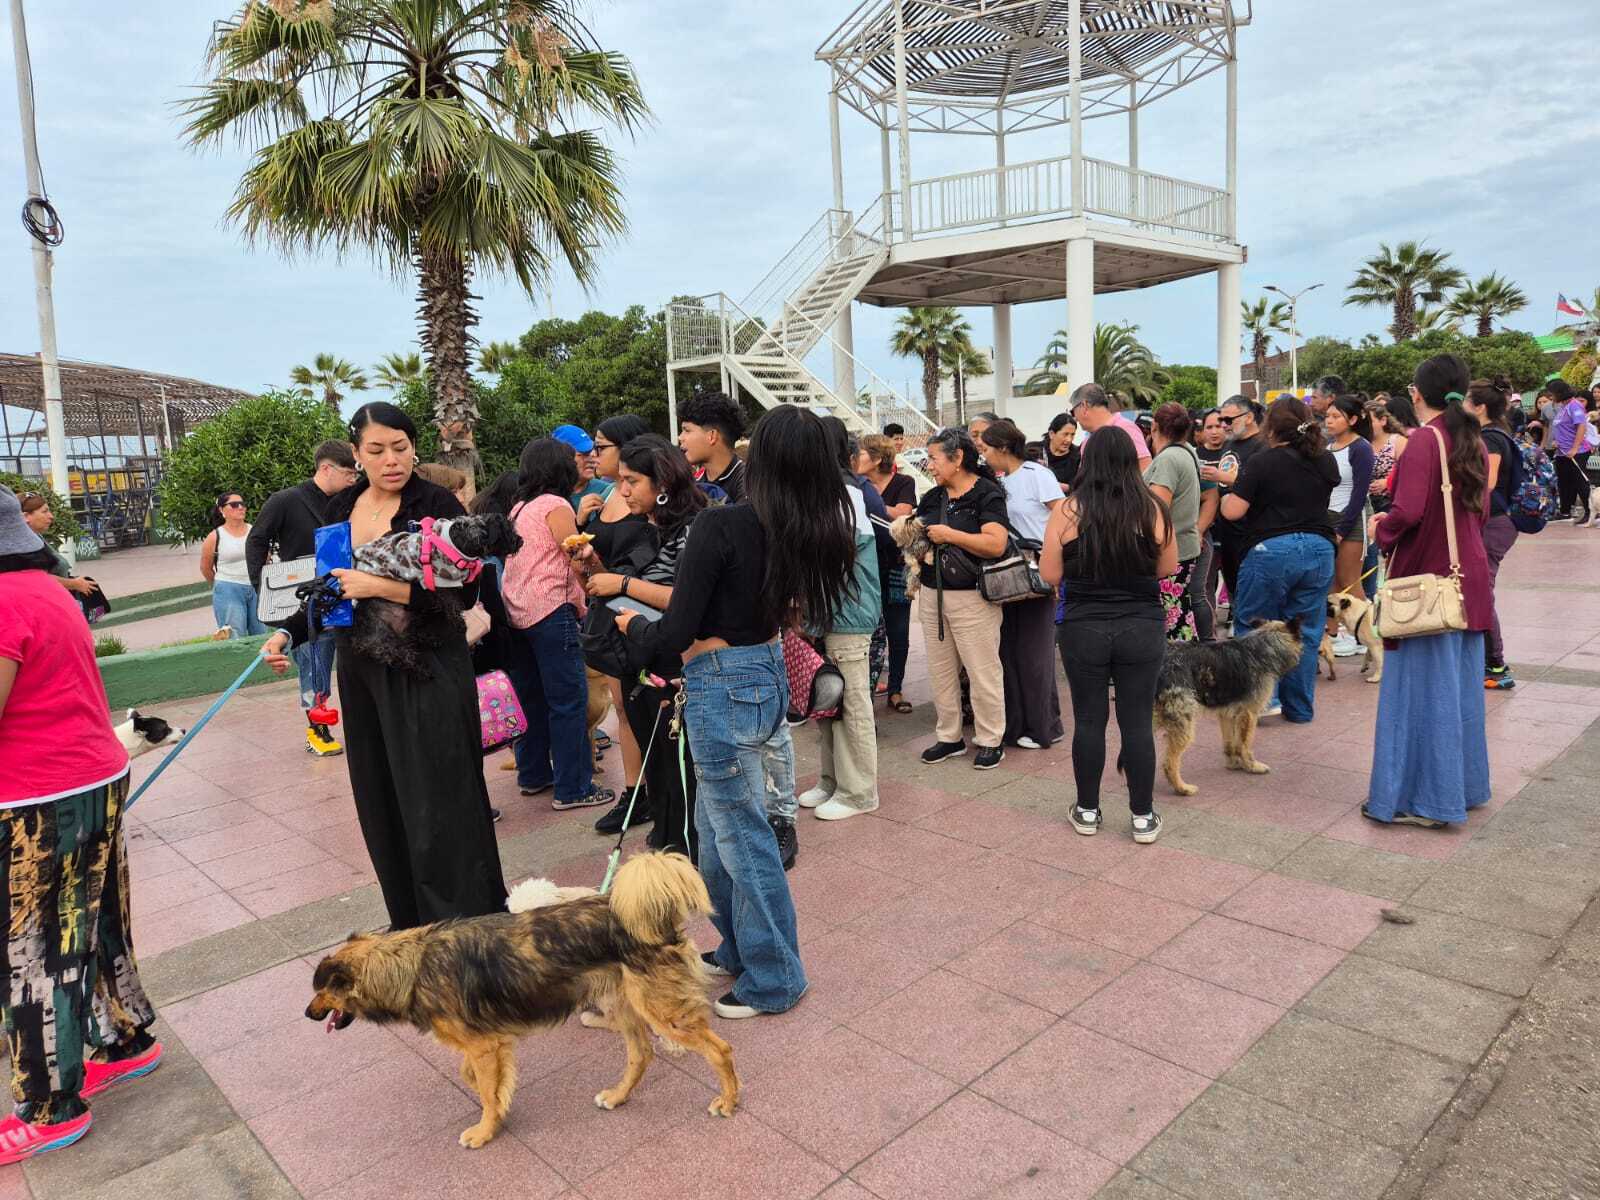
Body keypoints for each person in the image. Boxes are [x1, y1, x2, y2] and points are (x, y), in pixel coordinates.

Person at [615, 405, 855, 1018]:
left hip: (722, 680)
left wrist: (631, 625)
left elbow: (678, 629)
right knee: (720, 830)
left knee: (741, 834)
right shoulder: (814, 527)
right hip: (763, 671)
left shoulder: (724, 526)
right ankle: (738, 948)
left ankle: (776, 976)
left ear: (764, 460)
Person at [263, 403, 507, 928]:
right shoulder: (340, 509)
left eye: (400, 448)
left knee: (440, 797)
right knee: (382, 795)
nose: (391, 460)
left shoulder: (434, 501)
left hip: (429, 666)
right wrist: (288, 632)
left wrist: (382, 586)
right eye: (376, 451)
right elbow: (331, 591)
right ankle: (411, 922)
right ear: (355, 454)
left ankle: (465, 922)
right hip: (363, 669)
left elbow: (464, 591)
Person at [0, 486, 163, 1163]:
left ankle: (50, 1106)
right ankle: (125, 1040)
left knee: (33, 951)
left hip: (35, 798)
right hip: (90, 776)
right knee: (93, 923)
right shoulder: (44, 590)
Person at [1363, 355, 1493, 828]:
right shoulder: (1471, 438)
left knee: (1421, 694)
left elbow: (1409, 511)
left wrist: (1383, 526)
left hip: (1428, 579)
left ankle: (1426, 800)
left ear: (1416, 393)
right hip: (1466, 576)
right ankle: (1463, 788)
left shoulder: (1423, 441)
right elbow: (1477, 510)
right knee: (1458, 694)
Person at [1039, 431, 1178, 845]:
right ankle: (1142, 816)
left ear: (1088, 461)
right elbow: (1167, 568)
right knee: (1136, 722)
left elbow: (1050, 575)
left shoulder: (1067, 510)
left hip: (1083, 625)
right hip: (1141, 623)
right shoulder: (1154, 509)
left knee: (1088, 719)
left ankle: (1086, 810)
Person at [582, 434, 706, 853]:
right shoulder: (651, 527)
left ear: (663, 483)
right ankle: (669, 836)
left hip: (679, 667)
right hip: (643, 658)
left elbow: (684, 599)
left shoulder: (695, 528)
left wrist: (620, 582)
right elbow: (637, 589)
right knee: (660, 764)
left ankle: (686, 847)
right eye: (622, 480)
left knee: (679, 763)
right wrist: (596, 571)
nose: (623, 490)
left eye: (633, 480)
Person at [501, 437, 616, 812]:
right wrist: (598, 586)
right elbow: (575, 554)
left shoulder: (519, 508)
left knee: (531, 699)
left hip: (518, 614)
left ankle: (533, 775)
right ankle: (575, 787)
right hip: (552, 611)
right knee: (568, 700)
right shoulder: (556, 505)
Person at [1219, 396, 1338, 723]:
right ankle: (1299, 708)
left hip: (1270, 550)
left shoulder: (1262, 462)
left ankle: (1262, 700)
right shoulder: (1325, 460)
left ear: (1271, 426)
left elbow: (1234, 511)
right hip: (1319, 548)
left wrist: (1225, 496)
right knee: (1306, 631)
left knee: (1253, 625)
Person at [248, 439, 359, 756]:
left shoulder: (351, 500)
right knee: (314, 665)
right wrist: (263, 586)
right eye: (349, 473)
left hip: (347, 593)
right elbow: (257, 540)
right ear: (326, 468)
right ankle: (317, 729)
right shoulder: (285, 500)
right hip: (306, 602)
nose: (354, 480)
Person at [799, 418, 886, 820]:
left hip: (848, 615)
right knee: (828, 702)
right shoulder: (827, 492)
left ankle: (859, 792)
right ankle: (832, 781)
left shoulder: (845, 495)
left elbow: (833, 559)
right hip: (827, 615)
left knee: (851, 704)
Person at [913, 427, 1010, 769]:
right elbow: (919, 536)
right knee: (940, 671)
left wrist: (950, 535)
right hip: (933, 594)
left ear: (957, 459)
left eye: (934, 458)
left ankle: (990, 738)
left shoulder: (987, 494)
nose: (929, 466)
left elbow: (996, 543)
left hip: (973, 597)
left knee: (982, 671)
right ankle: (949, 736)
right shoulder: (932, 496)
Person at [585, 414, 656, 833]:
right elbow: (599, 568)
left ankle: (653, 789)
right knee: (625, 711)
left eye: (601, 447)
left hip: (641, 618)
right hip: (607, 616)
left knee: (643, 708)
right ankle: (635, 792)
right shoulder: (603, 497)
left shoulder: (644, 504)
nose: (594, 457)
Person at [979, 418, 1063, 749]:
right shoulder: (1000, 481)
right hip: (1007, 576)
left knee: (1035, 654)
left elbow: (1063, 516)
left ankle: (1044, 726)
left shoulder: (1037, 476)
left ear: (1002, 448)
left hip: (1037, 571)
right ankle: (1016, 724)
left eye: (986, 448)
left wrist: (1056, 565)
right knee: (1010, 652)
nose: (982, 454)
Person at [1463, 379, 1522, 690]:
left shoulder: (1490, 439)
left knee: (1481, 591)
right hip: (1496, 521)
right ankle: (1487, 660)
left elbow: (1487, 482)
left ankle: (1496, 665)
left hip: (1494, 522)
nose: (1461, 407)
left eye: (1465, 402)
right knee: (1479, 588)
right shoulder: (1491, 435)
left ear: (1480, 407)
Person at [857, 434, 914, 712]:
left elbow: (904, 514)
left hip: (895, 566)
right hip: (867, 568)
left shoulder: (903, 482)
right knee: (868, 631)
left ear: (877, 458)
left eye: (863, 452)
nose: (857, 456)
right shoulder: (857, 485)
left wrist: (873, 504)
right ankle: (867, 687)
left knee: (898, 630)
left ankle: (896, 689)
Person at [1143, 404, 1207, 643]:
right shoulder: (1187, 450)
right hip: (1184, 546)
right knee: (1179, 612)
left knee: (1173, 617)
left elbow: (1156, 511)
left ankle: (1180, 672)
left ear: (1155, 427)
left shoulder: (1169, 459)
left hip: (1170, 551)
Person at [1323, 395, 1376, 656]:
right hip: (1328, 517)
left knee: (1350, 582)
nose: (1329, 421)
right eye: (1328, 416)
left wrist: (1342, 529)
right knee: (1330, 582)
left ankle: (1364, 637)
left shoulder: (1361, 448)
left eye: (1336, 417)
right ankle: (1332, 633)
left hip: (1351, 518)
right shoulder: (1328, 447)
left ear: (1353, 420)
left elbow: (1359, 492)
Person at [1202, 395, 1267, 607]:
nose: (1223, 426)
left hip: (1253, 535)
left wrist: (1224, 477)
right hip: (1227, 533)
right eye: (1221, 420)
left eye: (1228, 420)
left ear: (1248, 417)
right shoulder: (1230, 444)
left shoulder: (1263, 446)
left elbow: (1264, 484)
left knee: (1254, 597)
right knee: (1234, 592)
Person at [200, 490, 267, 638]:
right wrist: (220, 585)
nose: (241, 507)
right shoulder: (215, 536)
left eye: (242, 504)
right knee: (234, 637)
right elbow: (205, 568)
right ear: (222, 510)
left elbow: (265, 557)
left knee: (261, 635)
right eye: (234, 505)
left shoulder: (255, 531)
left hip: (255, 587)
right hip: (228, 588)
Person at [16, 491, 98, 600]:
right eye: (44, 512)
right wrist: (74, 584)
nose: (51, 516)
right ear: (26, 516)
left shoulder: (36, 537)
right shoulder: (23, 543)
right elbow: (37, 578)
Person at [1191, 409, 1227, 639]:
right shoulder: (1194, 455)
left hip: (1235, 527)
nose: (1214, 431)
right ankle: (1209, 633)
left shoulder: (1234, 453)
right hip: (1207, 531)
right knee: (1206, 584)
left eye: (1219, 426)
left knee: (1234, 581)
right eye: (1209, 427)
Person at [678, 392, 746, 503]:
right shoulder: (692, 484)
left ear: (712, 436)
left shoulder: (748, 483)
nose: (680, 437)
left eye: (687, 430)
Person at [1069, 383, 1151, 470]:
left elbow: (1145, 468)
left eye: (1073, 412)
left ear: (1084, 406)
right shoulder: (1087, 442)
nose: (1075, 419)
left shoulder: (1126, 429)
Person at [1547, 381, 1596, 524]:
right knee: (1564, 482)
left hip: (1577, 452)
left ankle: (1590, 511)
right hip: (1562, 452)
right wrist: (1557, 442)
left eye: (1552, 393)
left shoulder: (1575, 406)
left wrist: (1575, 448)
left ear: (1559, 392)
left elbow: (1581, 426)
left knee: (1580, 482)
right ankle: (1565, 511)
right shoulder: (1564, 407)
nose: (1550, 396)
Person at [552, 424, 612, 517]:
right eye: (583, 454)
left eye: (593, 451)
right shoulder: (547, 497)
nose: (592, 458)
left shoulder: (606, 491)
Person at [1043, 412, 1081, 494]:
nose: (1069, 440)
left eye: (1072, 435)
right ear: (1052, 434)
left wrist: (1068, 488)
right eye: (1065, 434)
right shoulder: (1035, 451)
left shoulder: (1077, 456)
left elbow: (1082, 487)